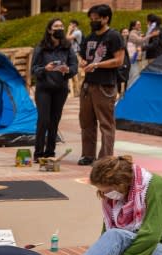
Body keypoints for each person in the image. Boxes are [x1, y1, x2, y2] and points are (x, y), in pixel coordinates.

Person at [77, 4, 125, 166]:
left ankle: (105, 158)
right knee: (86, 122)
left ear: (106, 18)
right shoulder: (89, 37)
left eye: (97, 19)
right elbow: (81, 55)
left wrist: (97, 65)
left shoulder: (114, 36)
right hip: (88, 85)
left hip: (105, 85)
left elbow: (119, 60)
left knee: (106, 122)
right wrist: (82, 61)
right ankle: (88, 155)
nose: (94, 21)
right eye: (91, 19)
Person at [31, 18, 77, 162]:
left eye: (62, 26)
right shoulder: (41, 47)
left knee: (54, 121)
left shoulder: (67, 47)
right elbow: (33, 69)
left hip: (61, 89)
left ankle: (50, 152)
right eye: (56, 26)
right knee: (43, 120)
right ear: (50, 30)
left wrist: (68, 69)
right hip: (44, 88)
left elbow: (74, 66)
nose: (60, 29)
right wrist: (45, 68)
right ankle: (38, 153)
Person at [67, 20, 84, 96]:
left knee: (77, 72)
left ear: (74, 25)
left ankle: (78, 91)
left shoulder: (77, 32)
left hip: (76, 54)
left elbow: (66, 38)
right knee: (73, 72)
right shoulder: (72, 33)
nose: (69, 26)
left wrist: (68, 30)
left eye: (70, 25)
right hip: (72, 54)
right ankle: (75, 91)